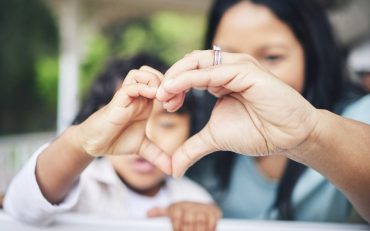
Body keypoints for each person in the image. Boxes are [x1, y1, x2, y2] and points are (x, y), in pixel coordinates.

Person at [155, 0, 370, 223]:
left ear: (312, 56)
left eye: (272, 57)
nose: (247, 75)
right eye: (225, 58)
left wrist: (310, 133)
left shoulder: (363, 114)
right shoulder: (191, 125)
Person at [4, 54, 221, 231]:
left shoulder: (194, 197)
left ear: (191, 130)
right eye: (127, 123)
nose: (146, 136)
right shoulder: (81, 184)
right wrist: (80, 142)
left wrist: (201, 216)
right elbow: (22, 207)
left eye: (167, 124)